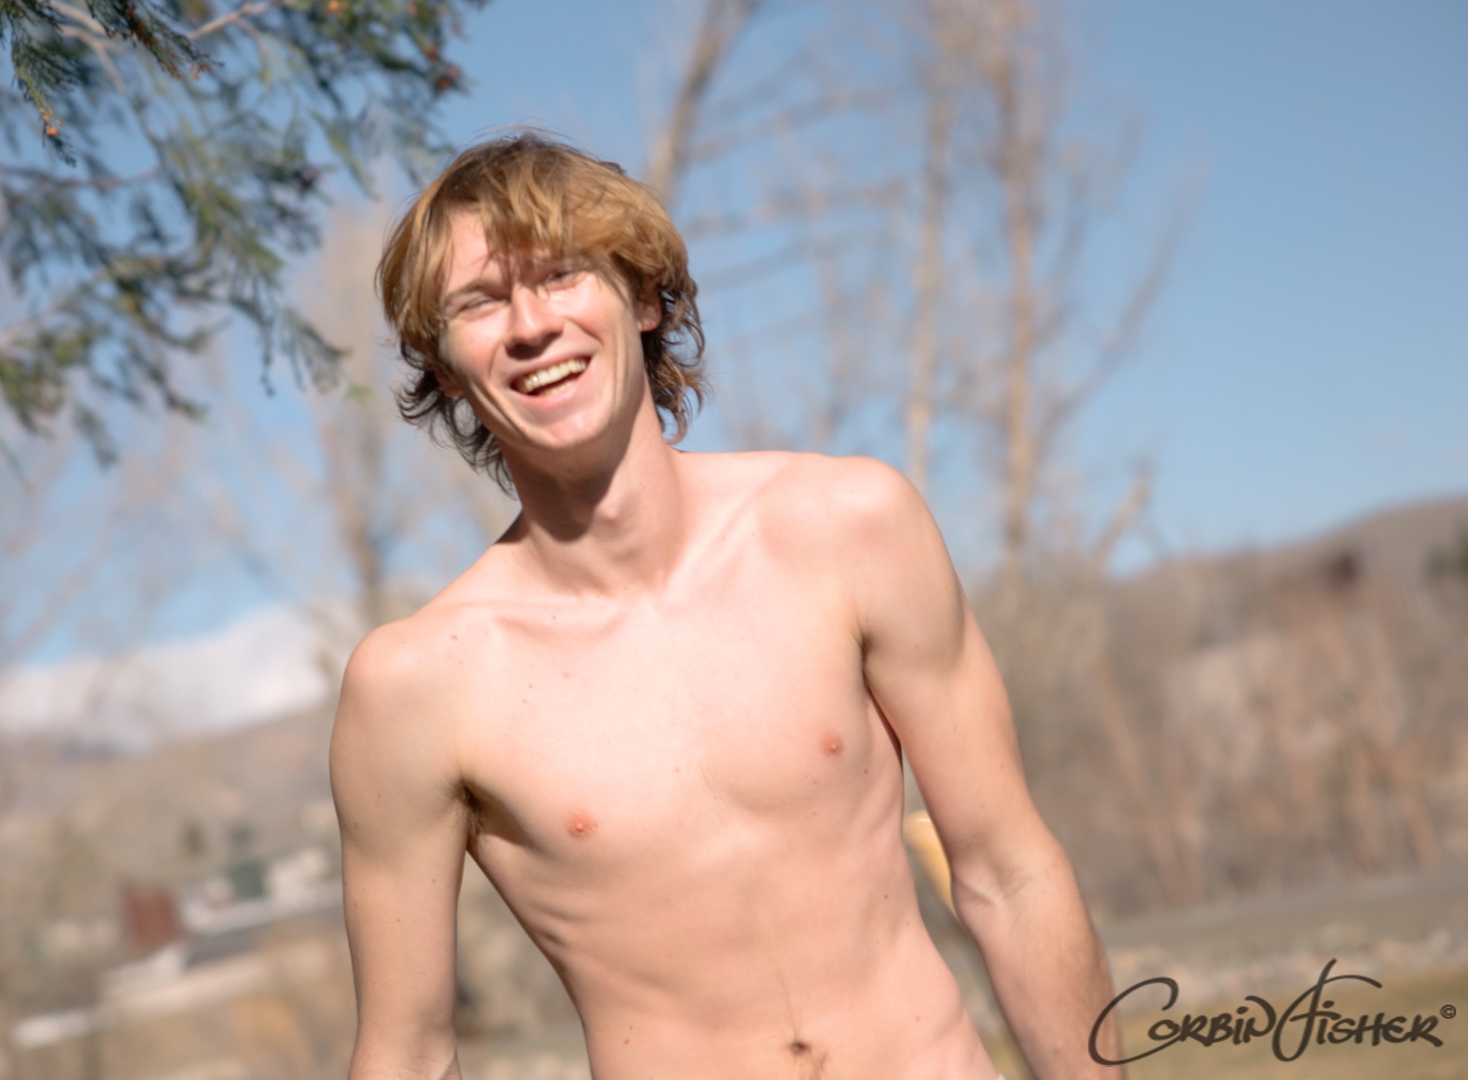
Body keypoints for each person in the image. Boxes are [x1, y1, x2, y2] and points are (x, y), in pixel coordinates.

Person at [330, 131, 1122, 1080]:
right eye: (480, 302)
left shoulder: (849, 528)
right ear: (446, 369)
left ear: (645, 298)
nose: (531, 325)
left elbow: (1009, 875)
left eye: (562, 275)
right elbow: (409, 1054)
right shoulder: (418, 688)